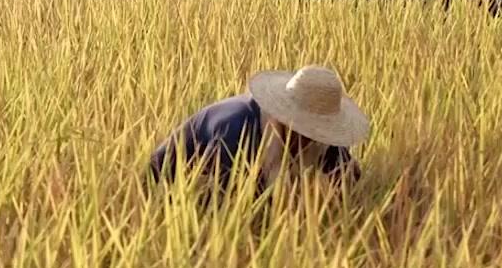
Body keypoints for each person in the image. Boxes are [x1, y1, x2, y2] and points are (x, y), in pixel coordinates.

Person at [146, 65, 369, 195]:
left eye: (324, 129)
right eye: (312, 129)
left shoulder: (320, 140)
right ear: (291, 119)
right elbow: (222, 205)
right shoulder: (235, 129)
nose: (317, 137)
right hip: (166, 184)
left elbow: (349, 179)